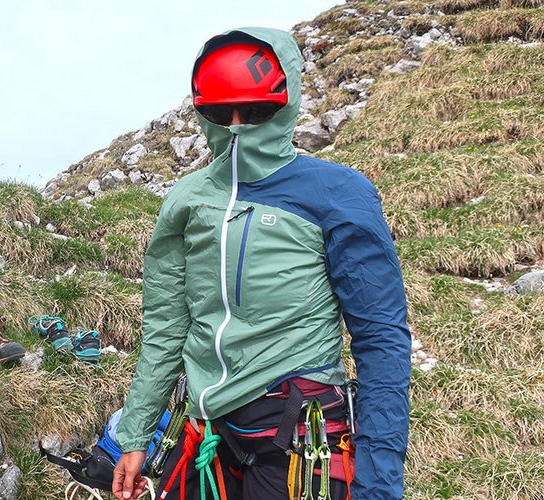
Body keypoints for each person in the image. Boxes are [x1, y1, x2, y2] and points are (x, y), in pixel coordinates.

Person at [112, 27, 411, 500]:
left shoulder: (338, 193)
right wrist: (134, 435)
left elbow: (381, 337)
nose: (233, 127)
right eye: (217, 111)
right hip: (206, 435)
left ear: (285, 105)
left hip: (297, 435)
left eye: (252, 111)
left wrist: (379, 482)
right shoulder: (187, 199)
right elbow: (167, 327)